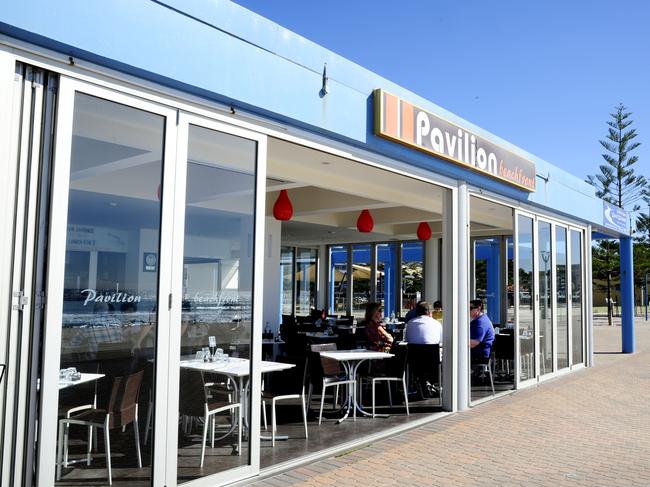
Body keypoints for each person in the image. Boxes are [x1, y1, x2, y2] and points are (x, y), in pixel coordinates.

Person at [469, 299, 494, 364]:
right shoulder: (481, 319)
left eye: (470, 308)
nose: (468, 310)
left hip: (479, 355)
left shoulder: (480, 322)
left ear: (478, 309)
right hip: (480, 353)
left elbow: (475, 342)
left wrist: (458, 343)